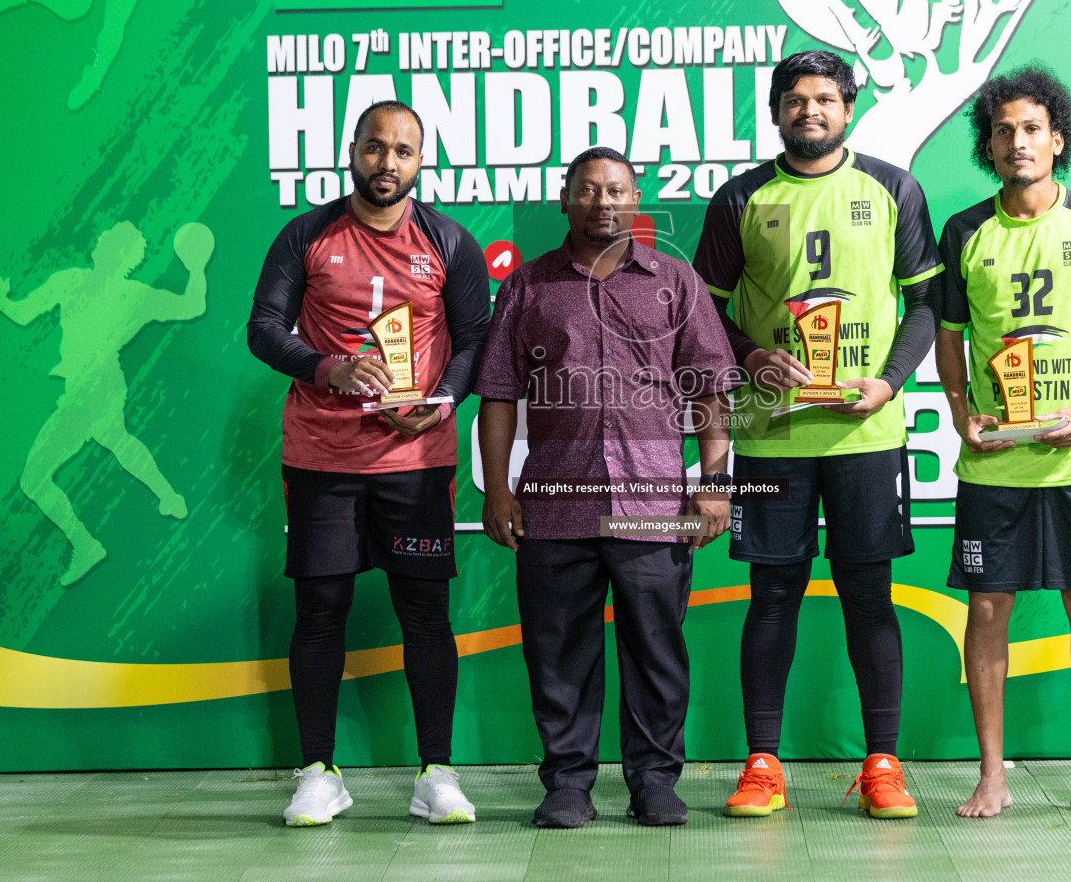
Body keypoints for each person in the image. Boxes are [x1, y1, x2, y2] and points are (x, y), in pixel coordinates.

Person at [692, 49, 943, 819]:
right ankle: (762, 765)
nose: (811, 110)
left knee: (870, 594)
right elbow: (707, 317)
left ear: (849, 108)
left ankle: (883, 765)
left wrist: (892, 381)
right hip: (771, 437)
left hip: (865, 436)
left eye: (826, 98)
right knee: (772, 595)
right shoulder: (740, 197)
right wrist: (753, 356)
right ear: (774, 111)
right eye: (796, 99)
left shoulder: (894, 188)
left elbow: (926, 303)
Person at [475, 146, 738, 829]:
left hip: (654, 506)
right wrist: (499, 490)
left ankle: (654, 781)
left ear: (636, 198)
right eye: (588, 191)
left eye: (616, 190)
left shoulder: (675, 282)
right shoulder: (528, 288)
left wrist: (714, 482)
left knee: (656, 651)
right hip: (555, 505)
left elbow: (710, 386)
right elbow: (499, 394)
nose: (603, 203)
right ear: (565, 201)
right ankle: (567, 783)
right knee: (559, 652)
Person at [247, 100, 490, 827]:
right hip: (323, 456)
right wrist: (328, 369)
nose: (388, 162)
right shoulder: (306, 234)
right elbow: (262, 328)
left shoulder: (449, 240)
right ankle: (319, 771)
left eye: (404, 151)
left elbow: (476, 336)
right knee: (320, 610)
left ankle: (436, 773)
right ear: (351, 149)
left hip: (415, 459)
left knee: (425, 611)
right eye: (376, 147)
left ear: (422, 161)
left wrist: (443, 399)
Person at [934, 65, 1071, 819]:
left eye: (1031, 129)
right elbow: (950, 338)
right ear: (987, 148)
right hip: (996, 459)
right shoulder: (964, 230)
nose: (1017, 142)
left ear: (1057, 141)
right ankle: (991, 773)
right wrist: (962, 411)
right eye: (1002, 132)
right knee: (987, 609)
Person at [0, 220, 212, 586]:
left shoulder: (124, 293)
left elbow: (192, 306)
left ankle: (86, 544)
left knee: (34, 478)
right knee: (117, 440)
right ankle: (169, 497)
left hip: (90, 389)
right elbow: (23, 312)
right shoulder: (75, 281)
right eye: (103, 237)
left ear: (119, 253)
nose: (100, 240)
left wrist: (198, 267)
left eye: (108, 239)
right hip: (99, 387)